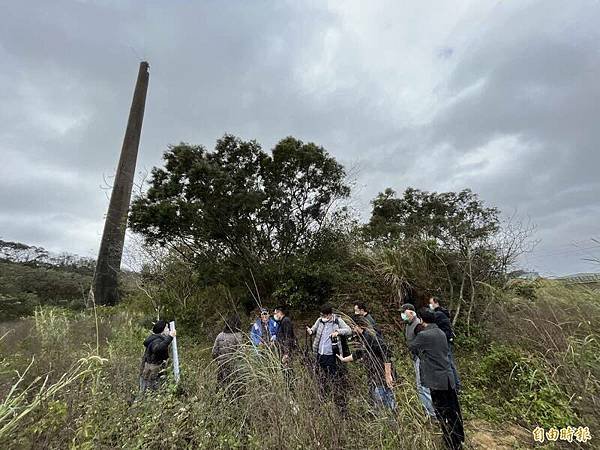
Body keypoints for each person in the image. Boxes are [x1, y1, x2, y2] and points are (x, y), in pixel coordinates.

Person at [408, 308, 465, 450]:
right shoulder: (440, 332)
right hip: (448, 378)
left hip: (436, 381)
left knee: (441, 411)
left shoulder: (424, 335)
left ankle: (450, 441)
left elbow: (412, 346)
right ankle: (457, 438)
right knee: (453, 410)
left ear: (422, 320)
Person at [337, 315, 396, 410]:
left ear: (360, 326)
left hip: (381, 373)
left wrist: (388, 374)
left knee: (385, 401)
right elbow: (359, 353)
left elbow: (386, 353)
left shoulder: (371, 336)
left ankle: (392, 419)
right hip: (374, 374)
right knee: (379, 400)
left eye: (353, 326)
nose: (352, 329)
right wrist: (344, 359)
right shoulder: (363, 337)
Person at [307, 303, 352, 412]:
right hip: (319, 354)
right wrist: (310, 331)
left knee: (335, 378)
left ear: (329, 314)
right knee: (320, 377)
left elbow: (349, 330)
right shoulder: (319, 320)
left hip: (332, 355)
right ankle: (322, 399)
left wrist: (338, 332)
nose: (323, 317)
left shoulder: (337, 321)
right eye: (322, 315)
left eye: (324, 315)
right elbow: (313, 329)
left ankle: (339, 401)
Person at [401, 303, 437, 419]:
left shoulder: (418, 326)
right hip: (416, 358)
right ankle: (427, 410)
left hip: (422, 359)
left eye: (404, 313)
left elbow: (426, 343)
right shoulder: (408, 324)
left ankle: (432, 413)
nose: (403, 316)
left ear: (411, 313)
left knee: (423, 386)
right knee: (420, 385)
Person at [428, 296, 462, 392]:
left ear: (436, 302)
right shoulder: (443, 312)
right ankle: (455, 385)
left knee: (448, 363)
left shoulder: (439, 314)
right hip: (446, 340)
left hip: (445, 341)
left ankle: (455, 386)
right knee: (449, 363)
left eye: (431, 303)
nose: (430, 305)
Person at [139, 319, 176, 393]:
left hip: (149, 371)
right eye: (167, 328)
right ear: (162, 330)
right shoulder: (156, 340)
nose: (169, 330)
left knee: (146, 392)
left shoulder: (155, 338)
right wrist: (170, 337)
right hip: (152, 372)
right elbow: (158, 348)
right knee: (151, 393)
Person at [212, 314, 244, 386]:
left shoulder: (220, 335)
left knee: (221, 388)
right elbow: (241, 354)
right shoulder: (238, 335)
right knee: (235, 390)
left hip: (221, 366)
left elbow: (214, 353)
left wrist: (219, 360)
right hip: (234, 368)